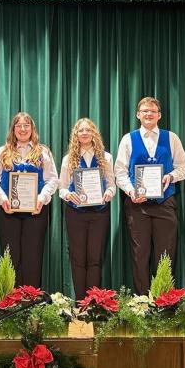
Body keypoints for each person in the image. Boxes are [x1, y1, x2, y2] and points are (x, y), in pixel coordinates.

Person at [114, 97, 185, 295]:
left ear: (159, 115)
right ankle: (143, 303)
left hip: (165, 203)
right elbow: (120, 171)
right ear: (138, 114)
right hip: (137, 205)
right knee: (140, 255)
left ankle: (164, 301)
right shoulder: (128, 139)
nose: (149, 114)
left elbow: (184, 166)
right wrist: (131, 191)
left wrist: (171, 176)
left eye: (153, 111)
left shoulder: (171, 138)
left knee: (165, 255)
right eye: (145, 111)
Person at [0, 112, 58, 288]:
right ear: (13, 129)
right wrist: (2, 198)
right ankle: (11, 302)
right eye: (19, 125)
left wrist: (42, 198)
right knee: (11, 255)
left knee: (33, 255)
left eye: (27, 125)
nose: (23, 129)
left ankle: (30, 300)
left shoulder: (43, 152)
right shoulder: (2, 152)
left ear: (32, 129)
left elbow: (53, 179)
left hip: (36, 211)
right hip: (7, 211)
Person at [58, 118, 116, 298]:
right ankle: (79, 303)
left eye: (88, 130)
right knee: (78, 259)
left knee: (95, 259)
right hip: (76, 213)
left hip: (99, 213)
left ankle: (92, 303)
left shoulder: (105, 157)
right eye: (81, 130)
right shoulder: (69, 159)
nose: (84, 133)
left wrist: (109, 193)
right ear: (76, 134)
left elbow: (112, 184)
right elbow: (62, 188)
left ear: (94, 134)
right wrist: (68, 194)